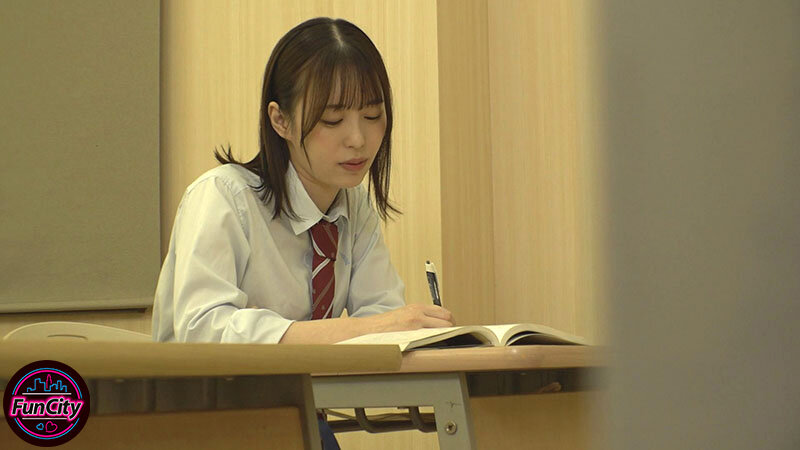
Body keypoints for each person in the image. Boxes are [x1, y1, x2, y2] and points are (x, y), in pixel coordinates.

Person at [150, 17, 454, 449]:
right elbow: (205, 332)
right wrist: (371, 329)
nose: (358, 139)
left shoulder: (354, 208)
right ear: (281, 121)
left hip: (288, 416)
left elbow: (383, 321)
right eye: (333, 119)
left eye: (373, 115)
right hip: (202, 424)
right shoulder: (222, 197)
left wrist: (423, 335)